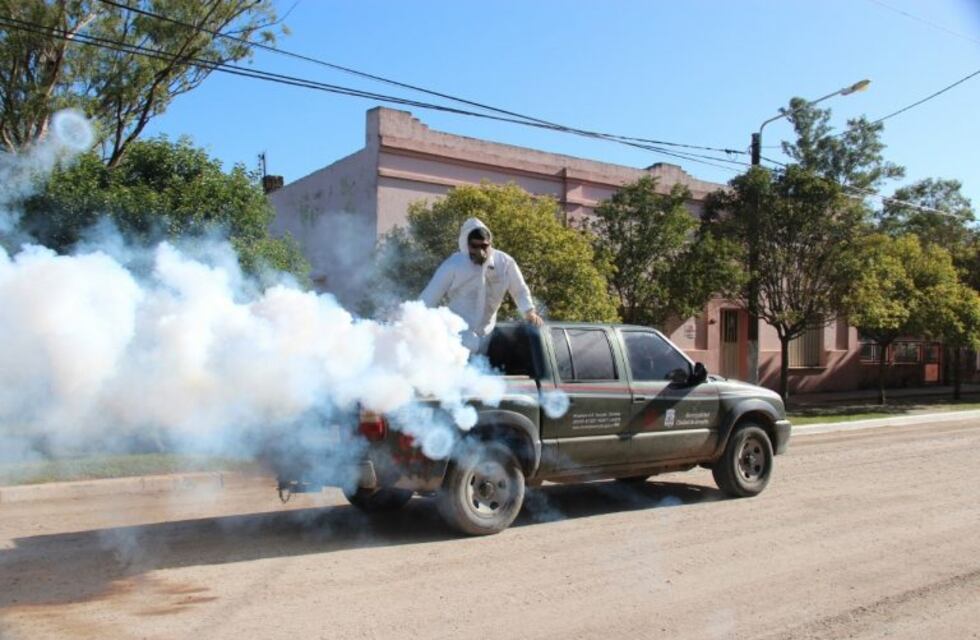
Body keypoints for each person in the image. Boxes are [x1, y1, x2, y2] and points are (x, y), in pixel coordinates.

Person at [421, 217, 543, 352]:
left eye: (484, 246)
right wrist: (415, 320)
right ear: (467, 244)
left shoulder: (505, 262)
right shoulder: (454, 264)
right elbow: (431, 294)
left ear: (490, 244)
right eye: (475, 246)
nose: (480, 251)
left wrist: (529, 312)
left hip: (486, 334)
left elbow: (519, 289)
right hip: (457, 334)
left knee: (482, 363)